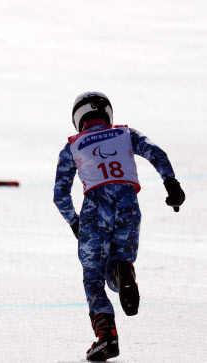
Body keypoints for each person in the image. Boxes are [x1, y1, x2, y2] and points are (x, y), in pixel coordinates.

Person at [53, 91, 185, 361]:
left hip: (94, 210)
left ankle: (107, 337)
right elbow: (156, 153)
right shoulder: (126, 134)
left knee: (92, 277)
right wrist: (171, 184)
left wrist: (76, 225)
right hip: (128, 205)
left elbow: (60, 195)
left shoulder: (72, 147)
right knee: (117, 262)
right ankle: (122, 271)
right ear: (107, 114)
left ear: (78, 119)